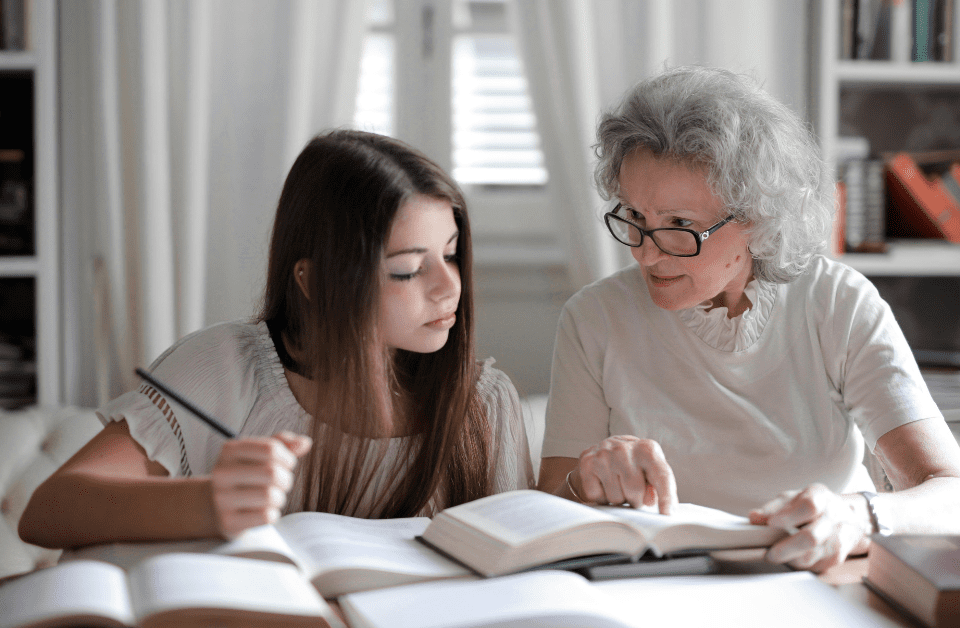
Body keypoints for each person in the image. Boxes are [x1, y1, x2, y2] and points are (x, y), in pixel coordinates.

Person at [20, 129, 534, 548]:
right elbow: (49, 511)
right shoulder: (224, 367)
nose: (449, 287)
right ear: (313, 281)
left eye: (450, 253)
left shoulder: (485, 404)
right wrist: (207, 502)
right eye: (407, 269)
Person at [537, 66, 960, 572]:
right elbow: (544, 512)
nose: (647, 256)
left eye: (679, 226)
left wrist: (857, 516)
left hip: (817, 584)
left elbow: (950, 495)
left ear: (757, 217)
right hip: (658, 590)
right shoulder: (593, 319)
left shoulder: (837, 304)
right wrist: (586, 480)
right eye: (635, 217)